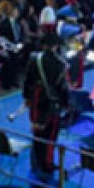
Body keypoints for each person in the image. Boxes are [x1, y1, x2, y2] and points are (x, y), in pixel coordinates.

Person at [24, 32, 69, 176]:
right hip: (51, 103)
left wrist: (26, 97)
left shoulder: (33, 58)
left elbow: (27, 80)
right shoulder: (60, 63)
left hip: (36, 100)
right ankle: (47, 163)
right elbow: (62, 88)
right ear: (56, 46)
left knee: (37, 131)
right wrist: (66, 103)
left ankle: (36, 160)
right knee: (50, 135)